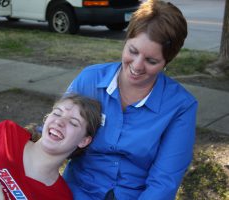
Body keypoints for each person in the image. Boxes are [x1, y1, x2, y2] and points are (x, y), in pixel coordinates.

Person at [63, 0, 198, 199]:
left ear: (166, 61)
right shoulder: (89, 80)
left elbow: (163, 182)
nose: (137, 66)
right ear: (126, 40)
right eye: (132, 51)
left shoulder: (180, 107)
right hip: (76, 191)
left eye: (151, 61)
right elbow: (53, 137)